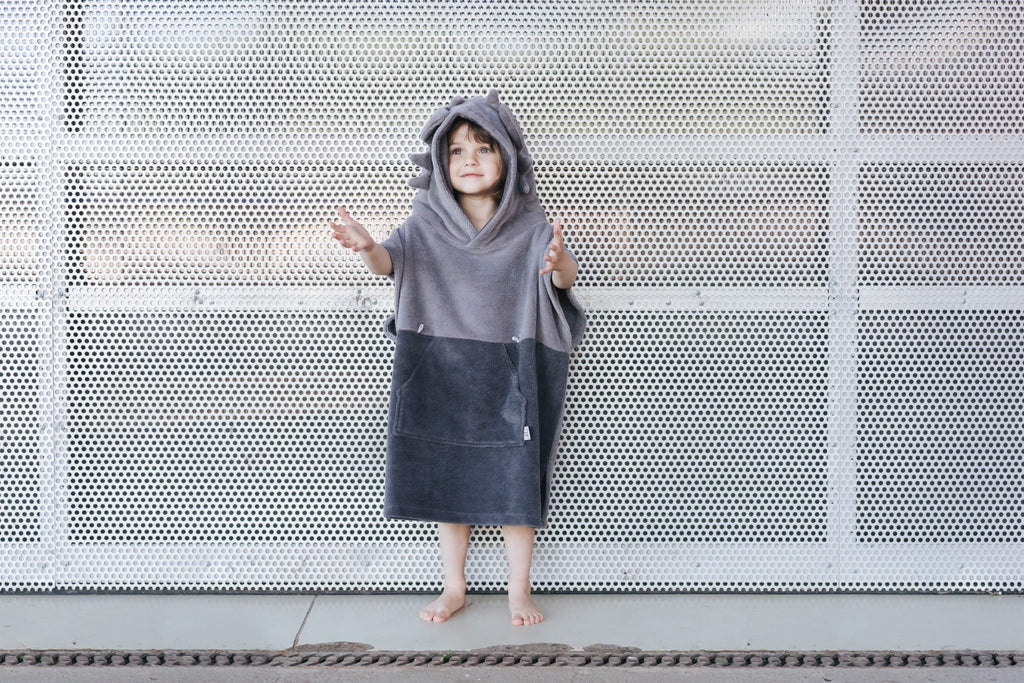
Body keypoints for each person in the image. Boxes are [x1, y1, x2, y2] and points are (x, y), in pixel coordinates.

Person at [329, 91, 585, 626]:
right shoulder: (424, 224)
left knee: (517, 482)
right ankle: (455, 586)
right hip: (444, 365)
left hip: (509, 371)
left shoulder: (532, 227)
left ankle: (519, 589)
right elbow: (390, 264)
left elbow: (562, 283)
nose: (470, 160)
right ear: (441, 164)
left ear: (508, 161)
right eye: (457, 151)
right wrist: (368, 244)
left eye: (484, 148)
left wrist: (562, 262)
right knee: (449, 482)